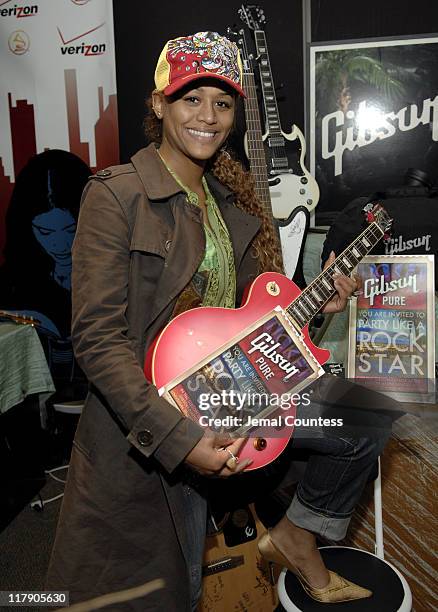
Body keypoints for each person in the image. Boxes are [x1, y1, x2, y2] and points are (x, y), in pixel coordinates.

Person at [46, 31, 388, 610]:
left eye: (222, 103)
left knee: (362, 421)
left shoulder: (236, 201)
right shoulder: (117, 195)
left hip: (236, 398)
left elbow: (252, 323)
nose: (208, 116)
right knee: (147, 596)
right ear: (159, 104)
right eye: (191, 98)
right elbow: (98, 339)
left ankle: (294, 536)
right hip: (152, 424)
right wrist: (181, 440)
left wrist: (314, 309)